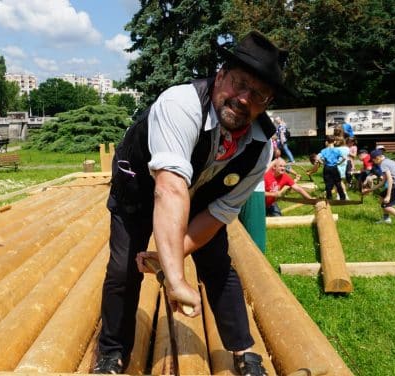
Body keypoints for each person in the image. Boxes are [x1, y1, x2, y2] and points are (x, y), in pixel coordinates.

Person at [94, 31, 293, 376]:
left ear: (267, 103)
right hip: (140, 190)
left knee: (219, 267)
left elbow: (217, 214)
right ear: (220, 76)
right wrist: (175, 278)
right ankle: (112, 352)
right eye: (239, 83)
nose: (245, 99)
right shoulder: (181, 104)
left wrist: (169, 254)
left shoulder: (261, 149)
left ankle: (245, 353)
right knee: (123, 271)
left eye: (258, 94)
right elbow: (169, 191)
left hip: (199, 197)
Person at [362, 150, 395, 228]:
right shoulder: (389, 161)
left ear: (377, 158)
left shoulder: (383, 164)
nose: (373, 162)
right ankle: (386, 219)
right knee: (381, 197)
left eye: (373, 160)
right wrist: (369, 190)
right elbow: (383, 181)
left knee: (386, 205)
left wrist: (388, 196)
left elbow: (390, 180)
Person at [318, 135, 346, 200]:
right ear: (335, 142)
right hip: (334, 167)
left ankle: (329, 197)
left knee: (327, 183)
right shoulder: (337, 150)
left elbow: (317, 157)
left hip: (327, 168)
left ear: (327, 142)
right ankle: (342, 197)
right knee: (338, 182)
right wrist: (339, 163)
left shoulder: (324, 150)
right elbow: (344, 158)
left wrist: (322, 163)